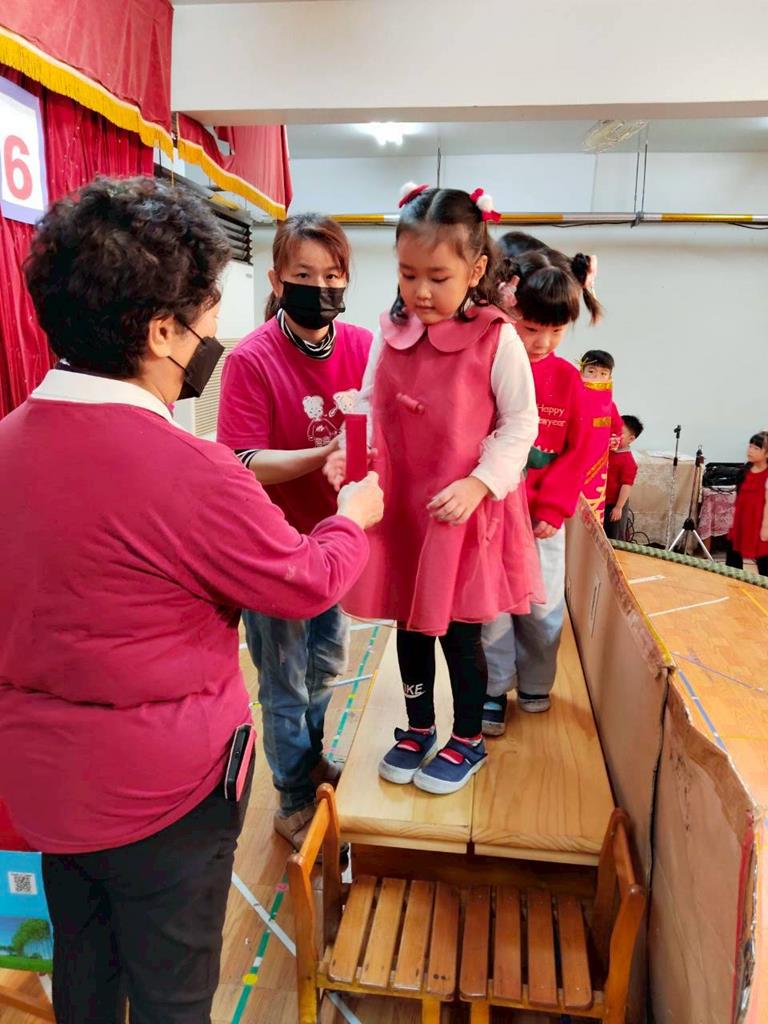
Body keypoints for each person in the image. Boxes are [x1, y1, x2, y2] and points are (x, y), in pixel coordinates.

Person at [0, 176, 383, 1024]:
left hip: (41, 786)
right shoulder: (193, 472)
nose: (214, 335)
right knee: (172, 994)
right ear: (161, 330)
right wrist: (353, 517)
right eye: (207, 315)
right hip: (164, 797)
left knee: (84, 970)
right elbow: (306, 580)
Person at [326, 183, 542, 794]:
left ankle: (468, 737)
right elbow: (370, 401)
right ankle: (418, 724)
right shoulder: (391, 330)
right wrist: (348, 454)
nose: (420, 291)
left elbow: (520, 423)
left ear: (475, 270)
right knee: (410, 622)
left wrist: (480, 483)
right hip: (402, 506)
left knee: (460, 632)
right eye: (408, 274)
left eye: (438, 277)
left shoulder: (496, 338)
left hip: (458, 509)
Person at [217, 214, 372, 851]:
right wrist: (322, 454)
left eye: (333, 276)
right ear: (278, 281)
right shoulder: (251, 358)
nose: (321, 288)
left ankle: (309, 762)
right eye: (305, 275)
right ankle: (292, 796)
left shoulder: (364, 346)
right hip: (272, 545)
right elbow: (242, 460)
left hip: (336, 540)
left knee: (326, 666)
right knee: (284, 680)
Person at [481, 246, 600, 732]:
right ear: (508, 309)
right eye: (531, 329)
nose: (542, 342)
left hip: (541, 523)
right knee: (490, 607)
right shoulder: (488, 365)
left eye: (556, 331)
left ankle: (535, 682)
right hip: (489, 514)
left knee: (542, 606)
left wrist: (552, 507)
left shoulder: (569, 380)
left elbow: (580, 450)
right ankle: (492, 688)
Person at [579, 349, 623, 517]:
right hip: (572, 457)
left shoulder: (609, 404)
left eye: (603, 373)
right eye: (591, 371)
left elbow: (616, 427)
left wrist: (615, 439)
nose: (597, 377)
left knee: (592, 506)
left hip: (597, 464)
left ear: (609, 377)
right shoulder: (572, 396)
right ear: (581, 371)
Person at [727, 431, 768, 577]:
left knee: (764, 560)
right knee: (733, 554)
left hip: (760, 523)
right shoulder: (744, 472)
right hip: (742, 521)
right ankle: (732, 582)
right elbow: (740, 499)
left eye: (756, 448)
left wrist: (765, 528)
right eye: (750, 446)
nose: (750, 450)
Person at [604, 414, 643, 541]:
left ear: (631, 439)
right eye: (612, 430)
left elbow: (626, 485)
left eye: (619, 433)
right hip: (602, 501)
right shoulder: (607, 451)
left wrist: (618, 507)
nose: (613, 434)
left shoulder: (628, 462)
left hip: (615, 504)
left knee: (614, 536)